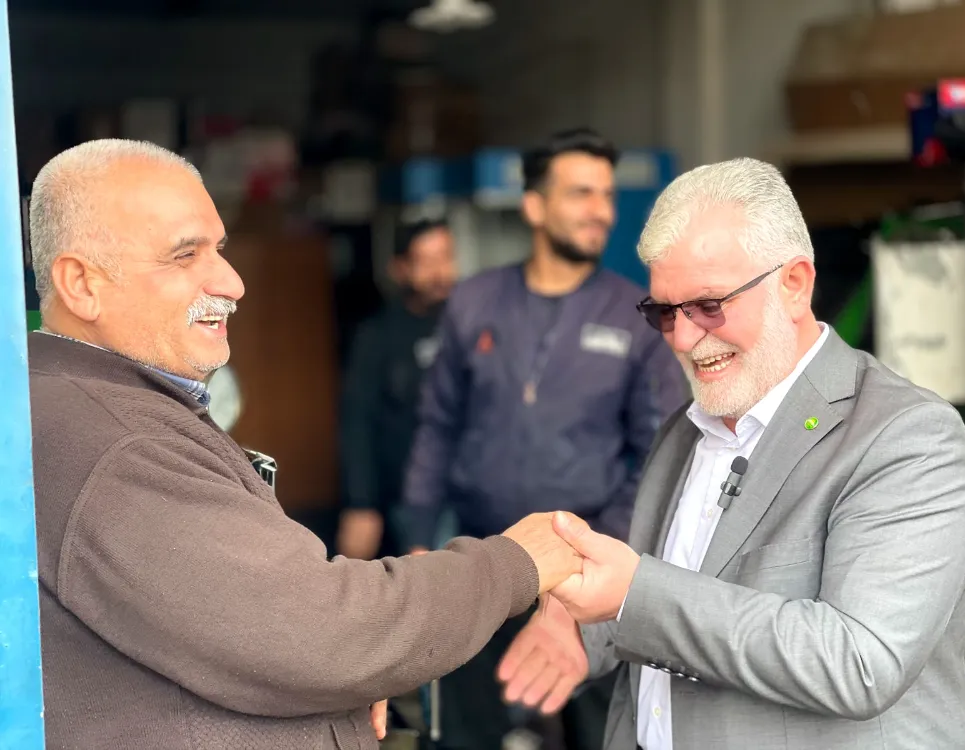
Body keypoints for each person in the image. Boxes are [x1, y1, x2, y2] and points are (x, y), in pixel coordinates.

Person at [26, 138, 586, 750]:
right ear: (81, 283)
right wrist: (516, 562)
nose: (232, 283)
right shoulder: (121, 445)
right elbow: (325, 633)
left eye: (220, 250)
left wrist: (342, 678)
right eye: (185, 255)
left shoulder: (80, 403)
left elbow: (270, 637)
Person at [497, 157, 965, 749]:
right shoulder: (685, 431)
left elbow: (860, 662)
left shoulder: (907, 437)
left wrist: (630, 594)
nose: (683, 338)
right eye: (664, 312)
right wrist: (581, 631)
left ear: (795, 284)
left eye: (709, 305)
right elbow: (672, 597)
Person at [402, 128, 688, 750]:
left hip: (586, 575)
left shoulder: (634, 316)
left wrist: (592, 555)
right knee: (464, 735)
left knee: (602, 736)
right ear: (534, 205)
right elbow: (437, 427)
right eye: (582, 193)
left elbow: (659, 457)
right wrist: (418, 540)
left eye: (607, 195)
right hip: (479, 561)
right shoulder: (475, 302)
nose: (602, 211)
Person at [337, 218, 458, 560]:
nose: (440, 272)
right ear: (400, 268)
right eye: (426, 261)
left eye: (446, 257)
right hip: (410, 494)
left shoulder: (471, 326)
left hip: (473, 490)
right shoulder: (377, 336)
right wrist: (361, 503)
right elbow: (358, 421)